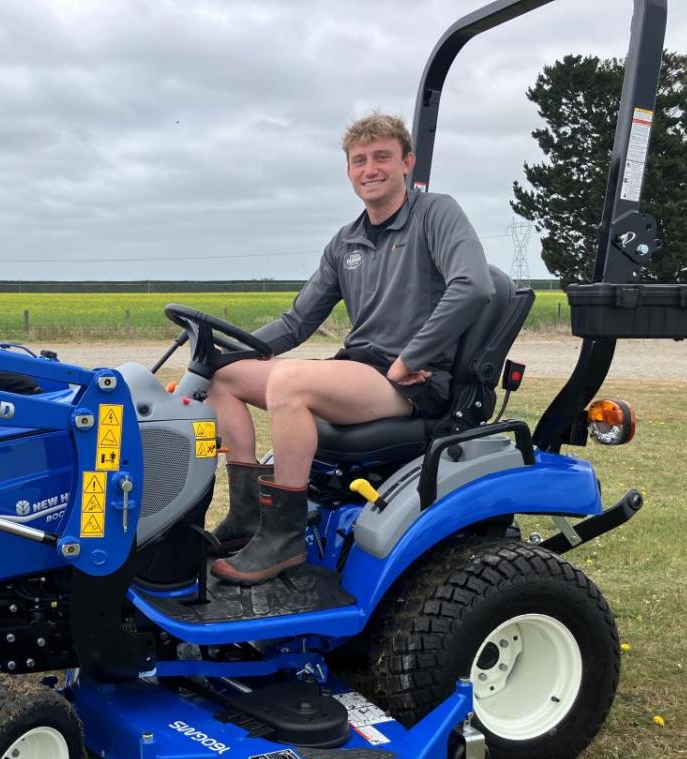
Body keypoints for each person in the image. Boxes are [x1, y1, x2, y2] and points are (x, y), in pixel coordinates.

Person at [208, 112, 493, 585]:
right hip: (358, 370)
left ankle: (284, 538)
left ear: (407, 162)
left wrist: (410, 359)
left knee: (290, 382)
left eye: (382, 156)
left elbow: (473, 286)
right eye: (359, 160)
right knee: (227, 378)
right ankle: (246, 517)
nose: (370, 168)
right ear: (349, 172)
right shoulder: (347, 241)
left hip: (409, 381)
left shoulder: (435, 214)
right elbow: (298, 321)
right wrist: (228, 350)